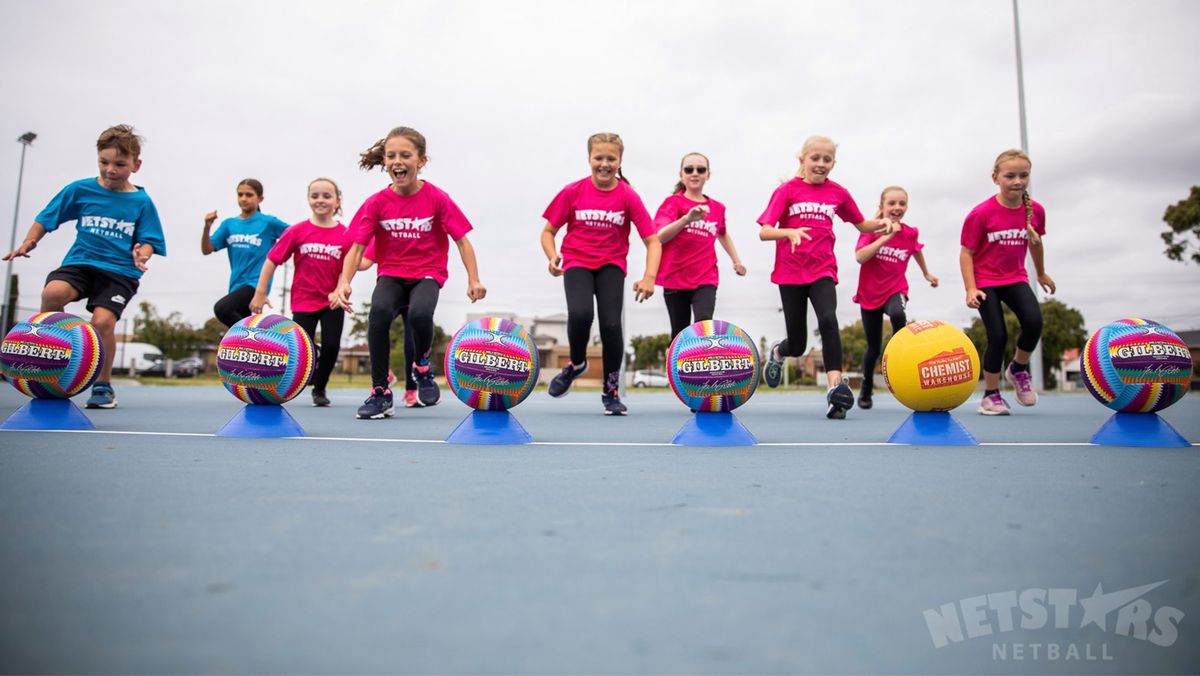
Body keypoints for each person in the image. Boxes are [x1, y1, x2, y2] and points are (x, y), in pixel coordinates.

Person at [2, 124, 167, 409]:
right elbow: (47, 216)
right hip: (81, 262)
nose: (110, 170)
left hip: (119, 272)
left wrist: (143, 253)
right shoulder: (80, 190)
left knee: (103, 321)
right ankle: (48, 358)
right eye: (104, 162)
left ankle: (103, 385)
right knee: (52, 293)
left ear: (136, 165)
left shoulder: (141, 201)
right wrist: (30, 240)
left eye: (119, 164)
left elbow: (150, 239)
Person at [331, 126, 486, 420]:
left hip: (428, 272)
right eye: (391, 156)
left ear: (421, 161)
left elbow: (462, 240)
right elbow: (357, 247)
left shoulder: (437, 198)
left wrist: (473, 278)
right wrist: (344, 283)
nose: (397, 161)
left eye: (405, 155)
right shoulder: (376, 203)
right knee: (378, 313)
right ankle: (380, 392)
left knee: (419, 314)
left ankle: (423, 368)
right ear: (385, 162)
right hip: (392, 273)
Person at [757, 135, 899, 419]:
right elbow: (764, 231)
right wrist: (789, 232)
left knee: (828, 319)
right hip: (790, 272)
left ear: (834, 163)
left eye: (827, 159)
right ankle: (779, 353)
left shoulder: (839, 193)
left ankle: (835, 389)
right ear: (803, 159)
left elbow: (862, 224)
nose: (821, 164)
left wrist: (882, 223)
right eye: (816, 158)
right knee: (798, 343)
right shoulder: (787, 191)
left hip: (822, 269)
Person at [540, 132, 660, 415]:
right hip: (577, 262)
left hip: (611, 265)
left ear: (619, 161)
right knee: (581, 314)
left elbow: (652, 240)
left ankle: (611, 389)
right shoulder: (573, 191)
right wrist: (552, 255)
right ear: (589, 159)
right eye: (599, 158)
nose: (604, 164)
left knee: (611, 325)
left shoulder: (628, 195)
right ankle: (577, 363)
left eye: (611, 158)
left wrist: (649, 277)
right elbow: (548, 232)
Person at [960, 149, 1055, 416]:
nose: (1017, 181)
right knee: (997, 335)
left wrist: (1042, 272)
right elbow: (966, 252)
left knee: (1034, 321)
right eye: (1010, 175)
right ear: (996, 178)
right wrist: (970, 288)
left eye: (1023, 175)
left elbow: (1036, 243)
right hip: (985, 280)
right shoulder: (981, 214)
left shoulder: (1035, 211)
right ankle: (991, 396)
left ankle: (1018, 368)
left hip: (1015, 277)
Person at [249, 178, 348, 408]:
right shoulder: (298, 231)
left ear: (337, 200)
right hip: (304, 301)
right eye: (315, 196)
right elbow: (272, 260)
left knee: (332, 346)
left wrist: (339, 290)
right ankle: (306, 373)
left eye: (326, 196)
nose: (320, 200)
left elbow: (347, 267)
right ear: (308, 200)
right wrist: (260, 293)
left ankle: (320, 388)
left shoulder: (345, 234)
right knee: (303, 348)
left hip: (332, 300)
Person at [852, 186, 939, 409]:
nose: (897, 207)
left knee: (899, 313)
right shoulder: (871, 230)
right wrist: (886, 237)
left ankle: (901, 359)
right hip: (870, 295)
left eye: (902, 203)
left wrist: (926, 272)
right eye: (892, 203)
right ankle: (867, 387)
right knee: (873, 348)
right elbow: (860, 257)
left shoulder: (910, 233)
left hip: (895, 289)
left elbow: (916, 249)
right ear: (882, 207)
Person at [653, 152, 746, 339]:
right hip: (675, 278)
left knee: (703, 325)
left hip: (705, 278)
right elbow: (660, 236)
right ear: (681, 175)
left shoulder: (717, 208)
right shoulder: (673, 203)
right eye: (689, 169)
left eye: (700, 169)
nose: (695, 173)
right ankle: (677, 367)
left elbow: (722, 233)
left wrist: (736, 260)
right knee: (680, 334)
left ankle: (702, 367)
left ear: (707, 175)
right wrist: (686, 219)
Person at [202, 178, 290, 328]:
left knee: (222, 309)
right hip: (236, 284)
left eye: (249, 195)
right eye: (240, 194)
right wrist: (207, 227)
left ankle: (258, 337)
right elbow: (207, 249)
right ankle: (254, 343)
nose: (243, 198)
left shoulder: (268, 222)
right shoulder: (229, 224)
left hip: (256, 283)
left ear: (260, 198)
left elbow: (295, 236)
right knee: (238, 333)